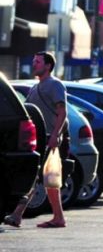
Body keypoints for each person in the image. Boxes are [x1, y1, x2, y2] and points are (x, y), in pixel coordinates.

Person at [4, 52, 69, 229]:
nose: (34, 65)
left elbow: (62, 112)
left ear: (48, 66)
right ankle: (58, 218)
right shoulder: (35, 87)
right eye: (33, 61)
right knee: (48, 180)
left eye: (38, 62)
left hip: (49, 138)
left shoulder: (55, 85)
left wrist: (55, 135)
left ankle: (17, 215)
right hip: (40, 138)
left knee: (37, 178)